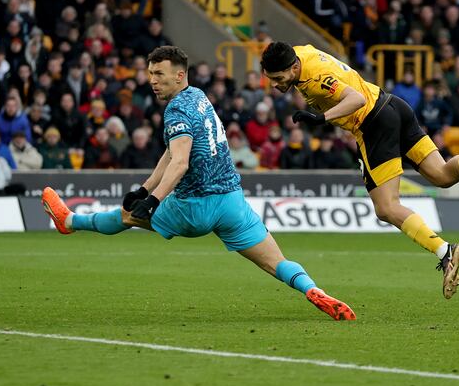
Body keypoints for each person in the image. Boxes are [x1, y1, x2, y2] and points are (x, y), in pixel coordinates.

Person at [41, 46, 355, 321]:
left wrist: (151, 201)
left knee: (126, 217)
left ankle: (69, 221)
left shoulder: (176, 108)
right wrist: (145, 188)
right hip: (231, 202)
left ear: (179, 76)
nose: (152, 80)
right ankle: (313, 289)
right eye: (151, 73)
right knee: (277, 263)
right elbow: (173, 151)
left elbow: (180, 161)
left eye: (160, 74)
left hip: (194, 207)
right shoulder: (199, 96)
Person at [260, 41, 459, 300]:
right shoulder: (299, 53)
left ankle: (445, 252)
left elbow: (355, 99)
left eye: (277, 78)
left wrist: (321, 118)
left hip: (373, 124)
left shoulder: (316, 78)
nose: (274, 84)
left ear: (294, 67)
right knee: (442, 175)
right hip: (394, 106)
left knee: (386, 208)